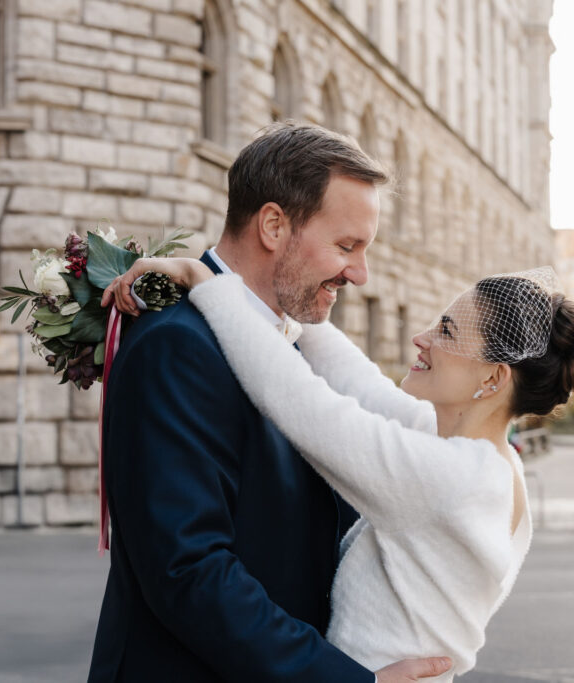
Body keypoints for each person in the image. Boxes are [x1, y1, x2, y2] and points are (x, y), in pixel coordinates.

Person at [107, 258, 574, 681]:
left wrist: (208, 283)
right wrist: (286, 292)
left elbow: (303, 404)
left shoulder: (450, 479)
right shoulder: (483, 461)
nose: (421, 337)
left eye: (446, 331)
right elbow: (359, 384)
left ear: (493, 377)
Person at [89, 122, 451, 683]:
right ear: (274, 225)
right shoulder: (176, 346)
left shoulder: (293, 340)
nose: (359, 273)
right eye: (346, 246)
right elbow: (189, 571)